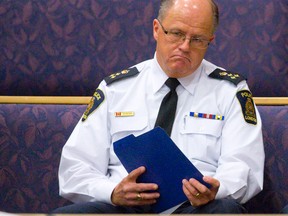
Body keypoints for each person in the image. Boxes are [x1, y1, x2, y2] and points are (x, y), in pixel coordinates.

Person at [53, 0, 264, 214]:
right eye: (176, 33)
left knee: (224, 211)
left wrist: (215, 190)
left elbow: (243, 167)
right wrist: (112, 192)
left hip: (194, 209)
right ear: (156, 29)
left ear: (210, 40)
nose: (184, 46)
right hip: (123, 208)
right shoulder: (117, 89)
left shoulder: (230, 91)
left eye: (198, 39)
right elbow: (75, 169)